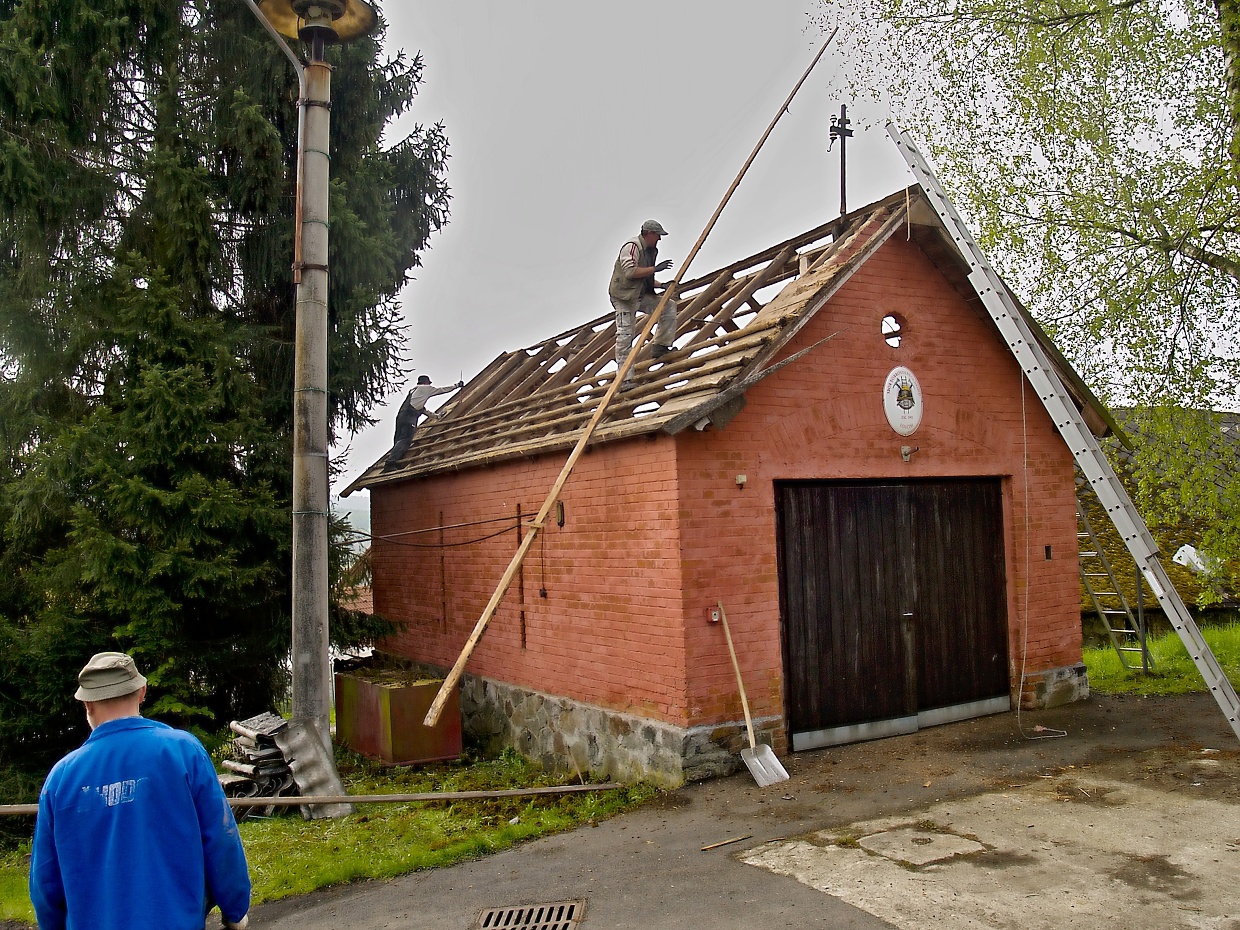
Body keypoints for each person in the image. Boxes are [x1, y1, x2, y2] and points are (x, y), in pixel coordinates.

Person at [29, 653, 252, 930]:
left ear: (87, 703)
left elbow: (45, 880)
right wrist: (234, 909)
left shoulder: (61, 777)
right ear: (142, 691)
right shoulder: (183, 752)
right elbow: (221, 840)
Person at [608, 219, 679, 382]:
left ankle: (660, 346)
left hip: (639, 294)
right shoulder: (632, 247)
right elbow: (630, 272)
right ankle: (625, 379)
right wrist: (655, 269)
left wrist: (661, 285)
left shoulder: (650, 250)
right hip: (624, 298)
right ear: (649, 233)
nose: (659, 239)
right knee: (625, 336)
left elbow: (643, 278)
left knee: (668, 306)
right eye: (658, 235)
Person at [384, 374, 464, 471]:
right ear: (426, 382)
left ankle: (396, 462)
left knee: (398, 440)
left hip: (401, 417)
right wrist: (457, 385)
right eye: (429, 383)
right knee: (405, 440)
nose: (429, 385)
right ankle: (390, 463)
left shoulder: (413, 391)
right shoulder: (425, 388)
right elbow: (441, 390)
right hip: (409, 417)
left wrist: (437, 416)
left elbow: (422, 409)